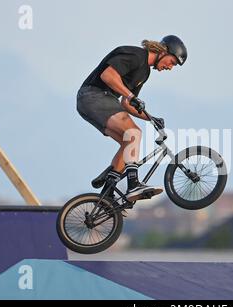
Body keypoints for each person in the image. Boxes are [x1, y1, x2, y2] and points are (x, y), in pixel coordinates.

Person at [77, 35, 187, 201]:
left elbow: (127, 104)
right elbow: (107, 76)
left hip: (99, 101)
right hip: (94, 95)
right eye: (172, 62)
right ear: (164, 52)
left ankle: (107, 194)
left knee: (128, 142)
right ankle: (133, 185)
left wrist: (151, 118)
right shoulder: (135, 55)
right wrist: (130, 95)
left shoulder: (145, 72)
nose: (170, 68)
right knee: (134, 133)